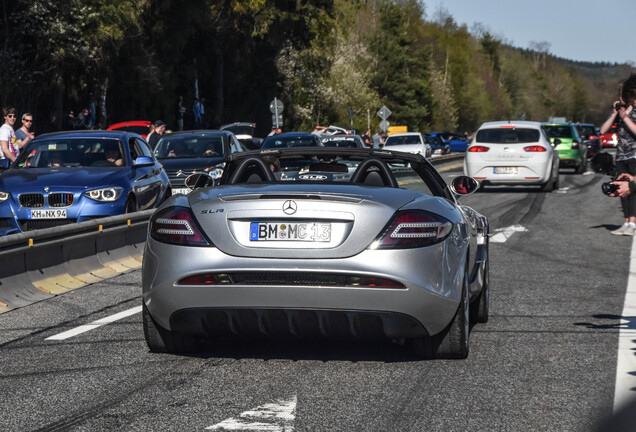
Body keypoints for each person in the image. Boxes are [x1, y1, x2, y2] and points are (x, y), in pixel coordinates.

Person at [601, 74, 636, 236]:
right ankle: (626, 221)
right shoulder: (619, 112)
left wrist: (625, 117)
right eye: (620, 95)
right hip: (621, 155)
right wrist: (615, 113)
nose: (622, 98)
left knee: (633, 189)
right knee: (621, 189)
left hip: (634, 155)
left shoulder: (634, 111)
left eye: (625, 95)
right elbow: (603, 130)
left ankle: (633, 223)